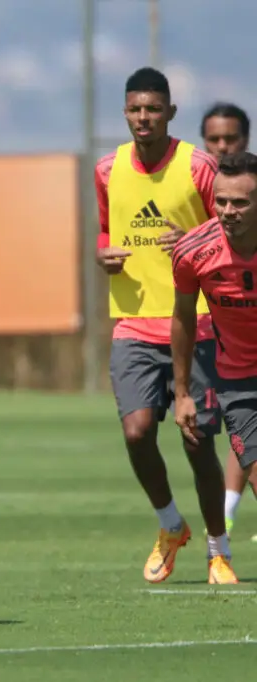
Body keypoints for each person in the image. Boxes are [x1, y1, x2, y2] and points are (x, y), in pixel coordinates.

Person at [94, 67, 229, 584]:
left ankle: (219, 549)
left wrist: (196, 244)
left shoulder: (199, 165)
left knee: (197, 440)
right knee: (136, 431)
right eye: (134, 109)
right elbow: (107, 227)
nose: (143, 118)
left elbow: (232, 222)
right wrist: (102, 253)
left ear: (171, 112)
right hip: (132, 319)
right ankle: (171, 525)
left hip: (194, 320)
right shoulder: (107, 169)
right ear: (125, 113)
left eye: (153, 109)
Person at [170, 150, 257, 584]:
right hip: (239, 381)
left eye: (240, 202)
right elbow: (183, 318)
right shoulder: (193, 251)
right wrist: (182, 392)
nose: (228, 211)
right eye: (221, 201)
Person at [199, 102, 257, 541]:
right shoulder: (192, 180)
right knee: (216, 428)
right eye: (214, 139)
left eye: (230, 139)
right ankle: (225, 515)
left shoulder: (245, 182)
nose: (221, 147)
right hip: (207, 322)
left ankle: (228, 510)